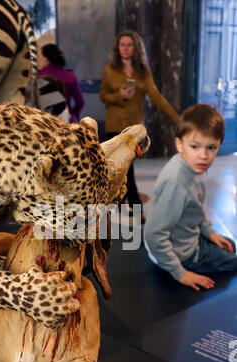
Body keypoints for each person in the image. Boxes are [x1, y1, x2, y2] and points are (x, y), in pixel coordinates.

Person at [144, 103, 237, 291]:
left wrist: (209, 233)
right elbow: (153, 235)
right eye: (195, 146)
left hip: (186, 237)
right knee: (234, 260)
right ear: (179, 144)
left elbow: (197, 204)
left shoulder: (193, 165)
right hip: (180, 255)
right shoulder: (177, 183)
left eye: (211, 147)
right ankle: (190, 260)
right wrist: (181, 273)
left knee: (231, 244)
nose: (204, 155)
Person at [100, 30, 179, 221]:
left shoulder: (143, 72)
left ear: (135, 48)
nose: (125, 48)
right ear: (117, 48)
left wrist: (177, 118)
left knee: (128, 169)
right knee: (121, 170)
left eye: (129, 45)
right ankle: (133, 207)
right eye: (122, 45)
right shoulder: (110, 70)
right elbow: (103, 97)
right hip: (114, 128)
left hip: (134, 130)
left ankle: (124, 202)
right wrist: (120, 95)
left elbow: (157, 97)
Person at [38, 43, 85, 123]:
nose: (38, 60)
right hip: (67, 121)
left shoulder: (39, 75)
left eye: (39, 57)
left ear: (46, 58)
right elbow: (80, 101)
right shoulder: (70, 76)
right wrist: (73, 115)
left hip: (44, 122)